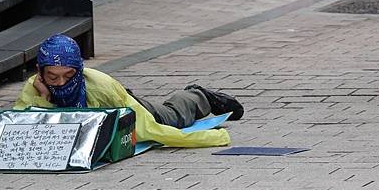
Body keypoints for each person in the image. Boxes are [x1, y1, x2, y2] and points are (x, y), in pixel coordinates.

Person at [14, 34, 244, 148]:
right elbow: (22, 132)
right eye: (53, 77)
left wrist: (216, 137)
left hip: (127, 104)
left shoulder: (101, 86)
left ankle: (198, 95)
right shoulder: (35, 88)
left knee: (172, 117)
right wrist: (44, 98)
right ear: (40, 72)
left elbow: (153, 131)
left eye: (69, 76)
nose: (61, 84)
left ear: (80, 71)